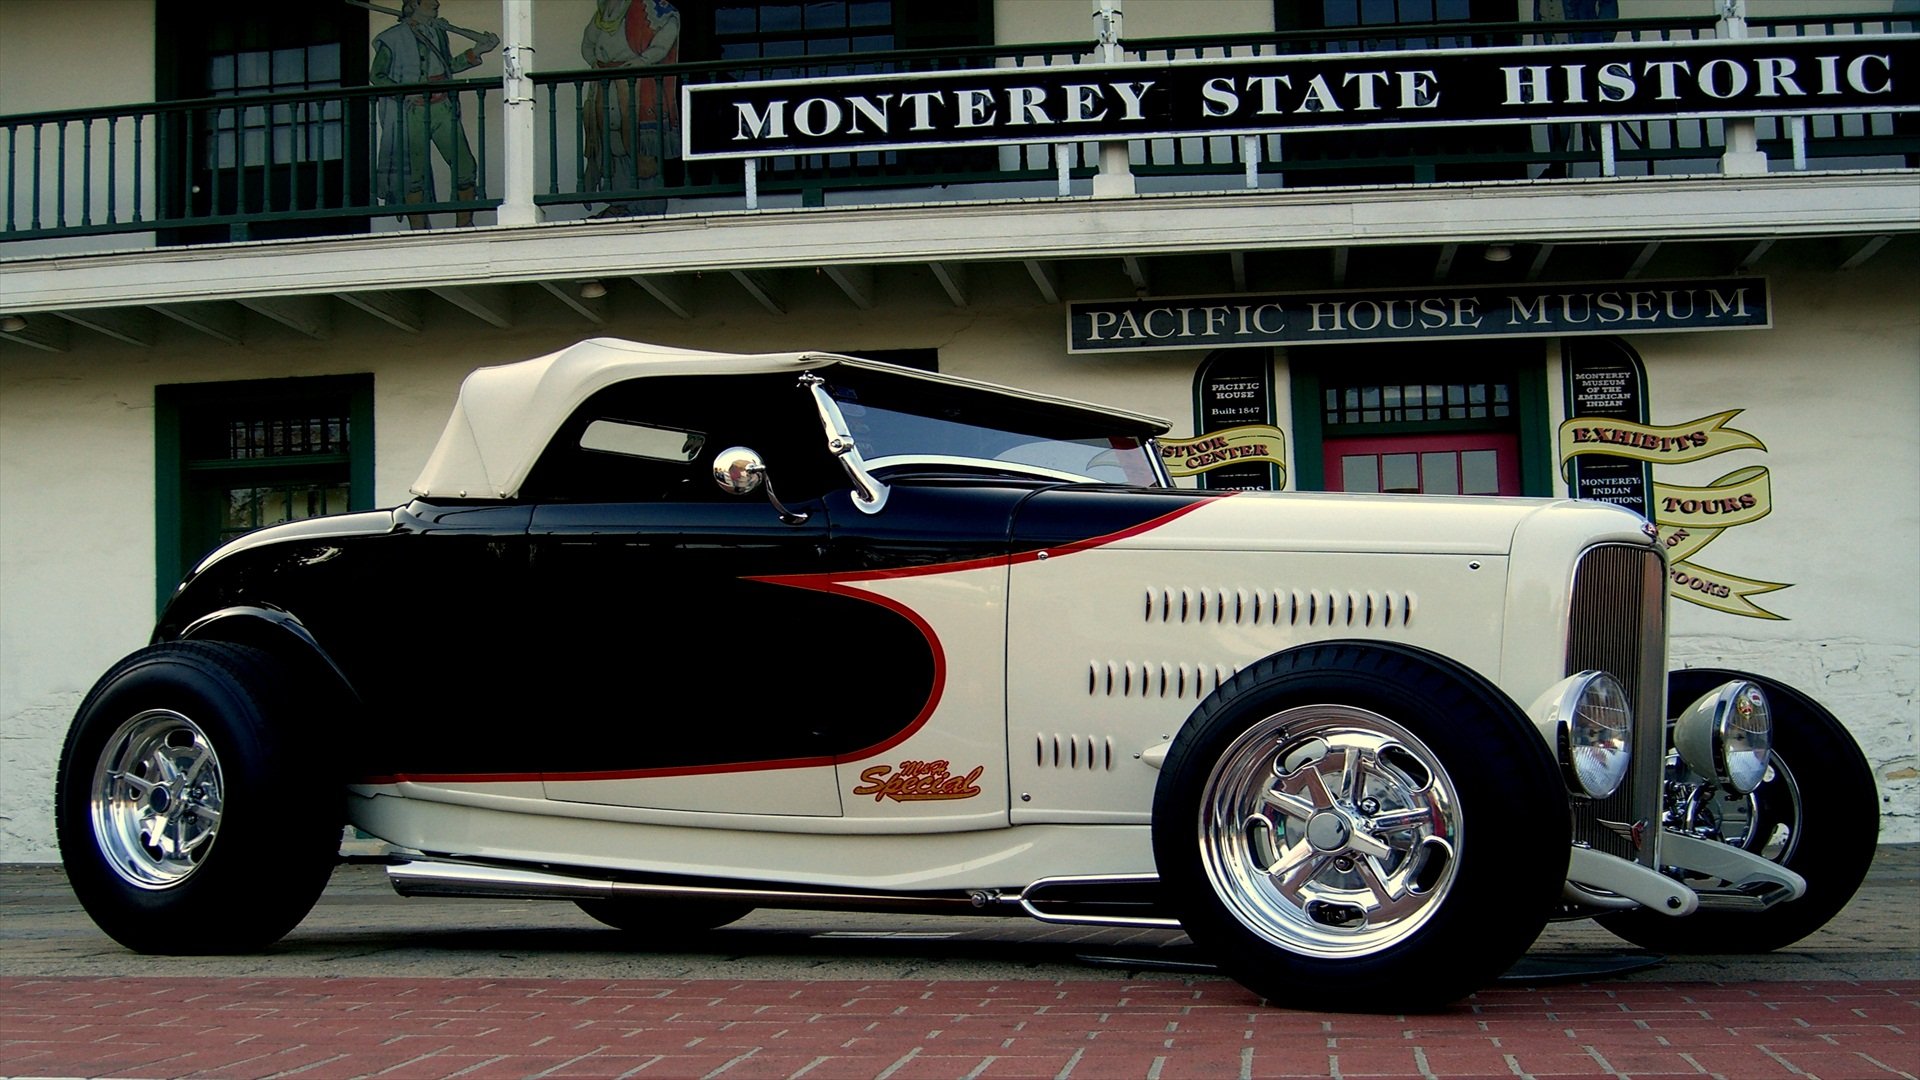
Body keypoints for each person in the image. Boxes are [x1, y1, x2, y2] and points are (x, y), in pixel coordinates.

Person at [371, 0, 500, 228]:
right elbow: (377, 75)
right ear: (414, 4)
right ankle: (418, 231)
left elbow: (447, 66)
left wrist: (478, 50)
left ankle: (464, 225)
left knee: (465, 166)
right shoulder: (392, 38)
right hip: (413, 111)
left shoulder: (438, 33)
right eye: (429, 0)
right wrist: (404, 93)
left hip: (442, 108)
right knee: (414, 174)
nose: (436, 3)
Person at [580, 0, 680, 215]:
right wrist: (595, 63)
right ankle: (621, 202)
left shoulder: (653, 7)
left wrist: (643, 60)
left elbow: (669, 29)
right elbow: (588, 44)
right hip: (605, 83)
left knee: (639, 145)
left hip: (636, 83)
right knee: (612, 141)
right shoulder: (604, 13)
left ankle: (647, 206)